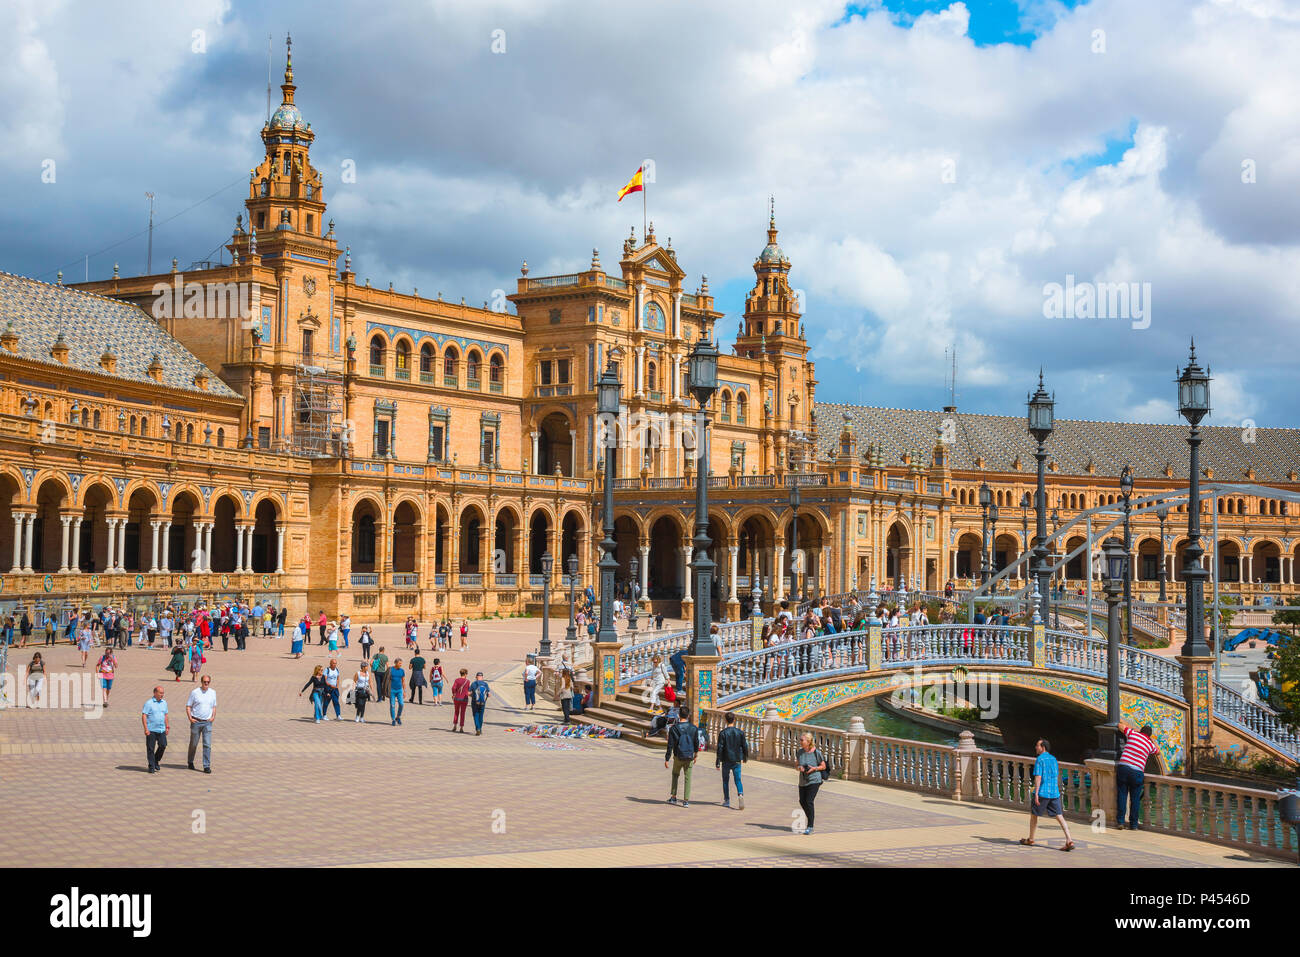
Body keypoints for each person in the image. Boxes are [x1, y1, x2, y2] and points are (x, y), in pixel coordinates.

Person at [1020, 737, 1075, 850]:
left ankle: (1031, 839)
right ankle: (1069, 839)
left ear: (1043, 747)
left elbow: (1038, 777)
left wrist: (1036, 793)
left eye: (1037, 745)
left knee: (1034, 816)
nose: (1036, 747)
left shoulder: (1040, 759)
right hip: (1054, 793)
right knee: (1059, 816)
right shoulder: (1054, 759)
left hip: (1043, 792)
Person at [1116, 722, 1159, 830]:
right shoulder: (1149, 745)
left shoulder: (1133, 734)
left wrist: (1134, 729)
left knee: (1122, 794)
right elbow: (1158, 752)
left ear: (1141, 731)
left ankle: (1120, 821)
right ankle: (1133, 824)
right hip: (1137, 772)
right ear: (1149, 735)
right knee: (1135, 799)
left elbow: (1119, 725)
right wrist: (1151, 740)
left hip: (1124, 768)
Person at [665, 706, 700, 807]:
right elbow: (696, 742)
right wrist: (696, 754)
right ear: (688, 715)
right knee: (688, 777)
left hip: (677, 755)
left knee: (675, 775)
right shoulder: (693, 728)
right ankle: (686, 800)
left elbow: (670, 745)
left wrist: (667, 758)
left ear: (679, 715)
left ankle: (673, 797)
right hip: (689, 756)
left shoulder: (674, 728)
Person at [715, 711, 749, 810]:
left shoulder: (723, 733)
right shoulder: (740, 732)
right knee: (738, 779)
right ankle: (740, 794)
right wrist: (745, 757)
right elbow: (744, 746)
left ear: (726, 720)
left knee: (725, 780)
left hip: (726, 759)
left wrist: (718, 761)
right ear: (734, 720)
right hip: (737, 759)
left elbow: (720, 748)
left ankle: (727, 800)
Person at [796, 732, 826, 834]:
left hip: (814, 779)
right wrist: (800, 768)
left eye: (802, 740)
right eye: (800, 740)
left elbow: (823, 766)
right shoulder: (799, 752)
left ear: (808, 742)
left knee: (809, 801)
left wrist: (814, 768)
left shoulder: (816, 752)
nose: (800, 741)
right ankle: (810, 817)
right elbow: (797, 765)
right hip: (803, 780)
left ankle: (810, 825)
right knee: (802, 801)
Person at [185, 674, 216, 773]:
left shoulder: (213, 693)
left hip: (207, 722)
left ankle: (206, 766)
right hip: (196, 721)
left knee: (207, 744)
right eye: (204, 682)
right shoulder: (195, 692)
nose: (206, 684)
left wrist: (213, 717)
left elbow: (214, 706)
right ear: (201, 682)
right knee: (193, 744)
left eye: (208, 682)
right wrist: (190, 718)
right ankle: (190, 761)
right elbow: (188, 706)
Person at [142, 686, 170, 773]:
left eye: (163, 693)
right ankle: (151, 766)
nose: (162, 695)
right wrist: (146, 728)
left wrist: (167, 726)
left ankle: (156, 760)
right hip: (151, 730)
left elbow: (166, 715)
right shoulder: (149, 703)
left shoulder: (164, 703)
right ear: (155, 693)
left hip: (161, 729)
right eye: (160, 693)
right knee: (150, 748)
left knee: (163, 745)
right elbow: (144, 715)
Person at [450, 668, 471, 732]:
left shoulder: (457, 680)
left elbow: (453, 688)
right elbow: (469, 690)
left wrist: (454, 694)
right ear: (465, 674)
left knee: (456, 712)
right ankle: (461, 727)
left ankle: (455, 726)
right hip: (464, 699)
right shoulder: (467, 681)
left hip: (457, 698)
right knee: (462, 713)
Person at [389, 658, 406, 726]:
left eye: (401, 663)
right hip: (392, 690)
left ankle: (398, 717)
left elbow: (403, 681)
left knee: (401, 704)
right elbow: (387, 680)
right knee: (392, 705)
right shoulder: (391, 670)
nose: (400, 664)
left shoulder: (402, 671)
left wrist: (404, 691)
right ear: (395, 663)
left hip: (399, 690)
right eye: (399, 663)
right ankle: (393, 719)